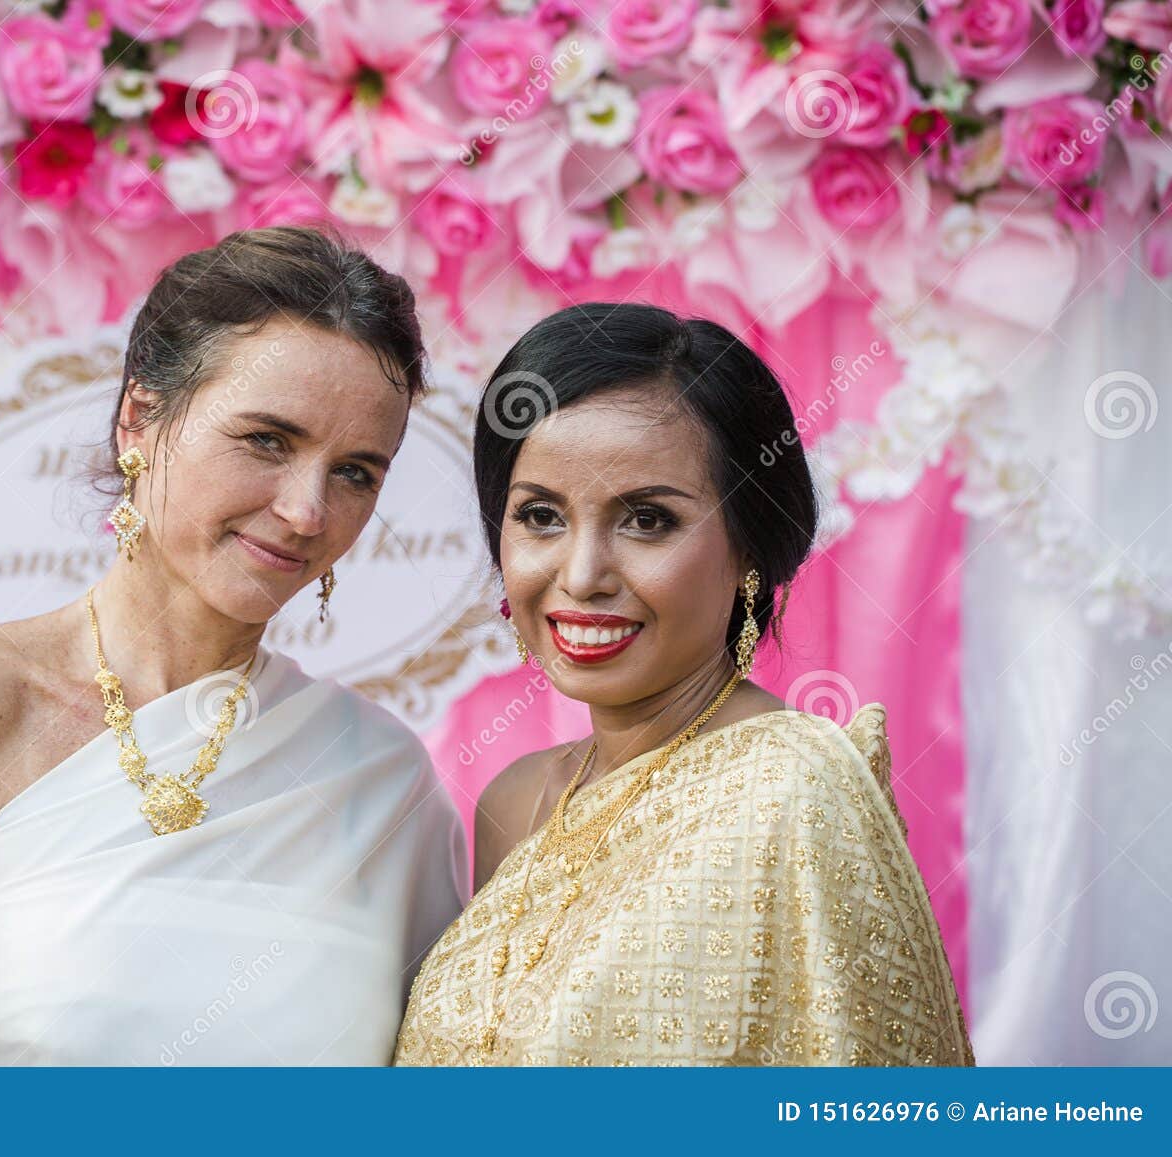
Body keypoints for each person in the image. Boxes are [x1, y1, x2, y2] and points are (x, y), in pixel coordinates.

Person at [0, 227, 467, 1066]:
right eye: (267, 440)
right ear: (139, 418)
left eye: (356, 471)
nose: (308, 510)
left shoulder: (385, 783)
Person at [394, 303, 974, 1066]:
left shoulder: (794, 790)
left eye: (646, 520)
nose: (581, 575)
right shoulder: (512, 802)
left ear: (750, 550)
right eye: (541, 515)